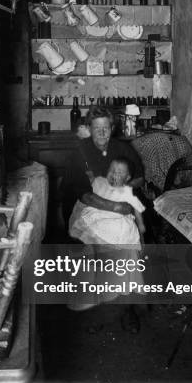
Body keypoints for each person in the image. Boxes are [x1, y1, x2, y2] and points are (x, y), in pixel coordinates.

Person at [61, 106, 146, 331]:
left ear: (112, 129)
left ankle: (125, 306)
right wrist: (115, 205)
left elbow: (139, 178)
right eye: (96, 128)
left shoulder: (122, 148)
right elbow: (84, 194)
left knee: (126, 239)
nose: (101, 133)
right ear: (89, 129)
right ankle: (95, 307)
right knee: (97, 244)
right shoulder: (79, 151)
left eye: (106, 128)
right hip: (87, 208)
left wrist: (122, 188)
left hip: (117, 205)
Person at [69, 157, 146, 246]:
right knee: (91, 227)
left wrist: (141, 224)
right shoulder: (101, 182)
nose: (114, 174)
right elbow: (91, 194)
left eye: (119, 173)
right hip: (99, 215)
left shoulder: (127, 191)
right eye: (112, 170)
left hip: (117, 219)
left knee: (123, 232)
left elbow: (136, 207)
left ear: (127, 178)